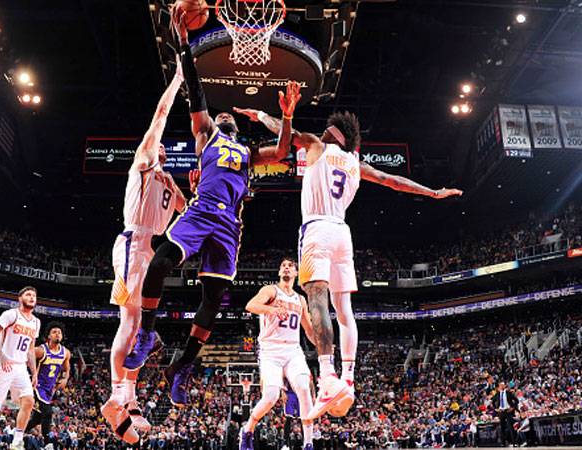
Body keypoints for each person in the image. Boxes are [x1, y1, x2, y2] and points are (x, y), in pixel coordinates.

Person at [234, 106, 462, 419]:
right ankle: (348, 380)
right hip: (343, 233)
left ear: (334, 135)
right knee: (344, 312)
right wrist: (433, 193)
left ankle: (327, 377)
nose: (324, 129)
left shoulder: (317, 144)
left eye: (329, 129)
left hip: (317, 228)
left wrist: (262, 116)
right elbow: (391, 180)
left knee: (316, 300)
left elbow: (282, 132)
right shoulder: (355, 162)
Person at [123, 9, 301, 407]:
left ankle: (181, 366)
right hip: (203, 211)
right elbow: (197, 92)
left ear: (238, 126)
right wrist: (183, 44)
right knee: (161, 262)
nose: (223, 114)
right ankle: (148, 332)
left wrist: (287, 116)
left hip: (229, 226)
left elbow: (286, 150)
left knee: (215, 299)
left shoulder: (249, 152)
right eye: (219, 114)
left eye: (226, 115)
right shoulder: (206, 136)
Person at [101, 55, 189, 443]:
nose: (159, 146)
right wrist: (177, 80)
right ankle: (120, 396)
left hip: (149, 249)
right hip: (133, 240)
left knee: (140, 328)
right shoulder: (145, 163)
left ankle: (127, 397)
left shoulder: (172, 186)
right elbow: (159, 116)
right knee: (131, 322)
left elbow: (191, 213)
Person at [240, 258, 316, 450]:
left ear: (296, 273)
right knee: (271, 396)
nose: (287, 268)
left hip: (293, 350)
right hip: (270, 350)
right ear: (279, 272)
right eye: (283, 266)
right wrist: (272, 309)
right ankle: (247, 429)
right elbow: (250, 305)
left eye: (290, 266)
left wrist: (324, 347)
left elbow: (308, 329)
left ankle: (308, 442)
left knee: (304, 388)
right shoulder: (270, 290)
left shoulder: (300, 299)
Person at [0, 286, 41, 450]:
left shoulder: (36, 322)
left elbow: (30, 349)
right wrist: (2, 356)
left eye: (34, 296)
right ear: (20, 298)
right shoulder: (11, 315)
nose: (32, 297)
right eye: (28, 294)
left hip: (21, 367)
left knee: (29, 401)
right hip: (2, 365)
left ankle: (17, 442)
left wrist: (34, 372)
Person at [25, 322, 71, 443]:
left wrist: (65, 378)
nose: (58, 334)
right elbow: (27, 356)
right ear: (48, 336)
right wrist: (31, 374)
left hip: (50, 389)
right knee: (48, 412)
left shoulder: (65, 353)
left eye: (59, 332)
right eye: (54, 332)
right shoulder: (41, 350)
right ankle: (47, 442)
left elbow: (66, 369)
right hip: (37, 386)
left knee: (37, 419)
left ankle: (19, 432)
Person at [492, 382, 519, 447]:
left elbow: (516, 400)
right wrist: (496, 409)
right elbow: (493, 402)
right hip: (501, 412)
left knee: (511, 427)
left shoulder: (509, 393)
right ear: (499, 387)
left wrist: (513, 408)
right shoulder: (497, 394)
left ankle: (514, 443)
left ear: (504, 386)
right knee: (502, 428)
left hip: (508, 411)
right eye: (500, 385)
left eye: (502, 385)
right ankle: (503, 443)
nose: (501, 386)